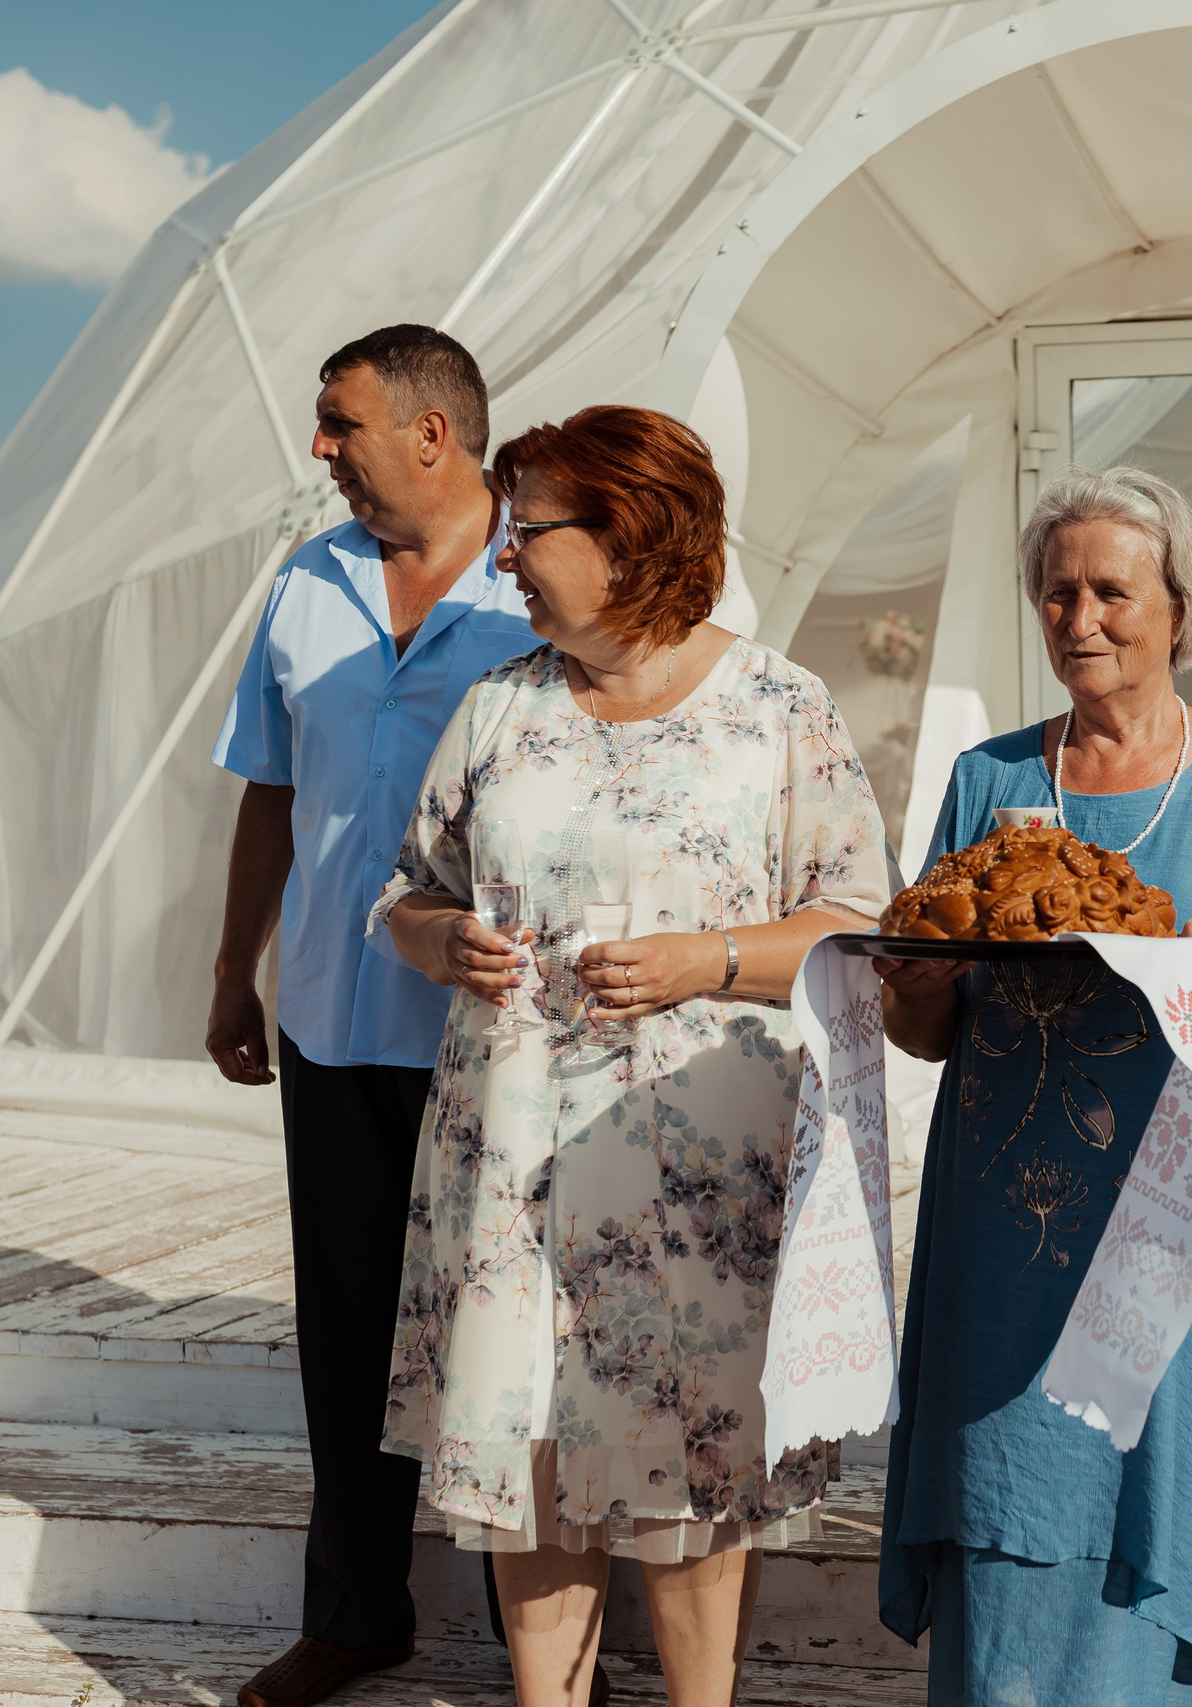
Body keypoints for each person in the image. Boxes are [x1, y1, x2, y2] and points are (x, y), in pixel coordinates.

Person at [373, 404, 892, 1707]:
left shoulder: (779, 706)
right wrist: (445, 942)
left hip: (702, 1160)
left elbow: (856, 924)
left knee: (693, 1466)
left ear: (625, 530)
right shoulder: (499, 707)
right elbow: (405, 892)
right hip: (513, 1157)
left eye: (530, 529)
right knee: (531, 1453)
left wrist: (703, 958)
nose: (505, 557)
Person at [874, 466, 1192, 1705]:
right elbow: (926, 1024)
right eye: (1056, 593)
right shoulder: (990, 781)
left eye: (1110, 590)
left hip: (1187, 1242)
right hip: (1011, 1243)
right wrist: (912, 979)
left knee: (1177, 1498)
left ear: (1178, 605)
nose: (1079, 617)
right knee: (1011, 1501)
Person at [207, 325, 539, 1707]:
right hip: (338, 1023)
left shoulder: (548, 577)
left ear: (432, 433)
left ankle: (550, 1626)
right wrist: (237, 967)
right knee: (346, 1324)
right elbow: (271, 789)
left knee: (519, 1322)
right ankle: (357, 1609)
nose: (322, 449)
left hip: (505, 1031)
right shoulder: (307, 581)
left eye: (341, 423)